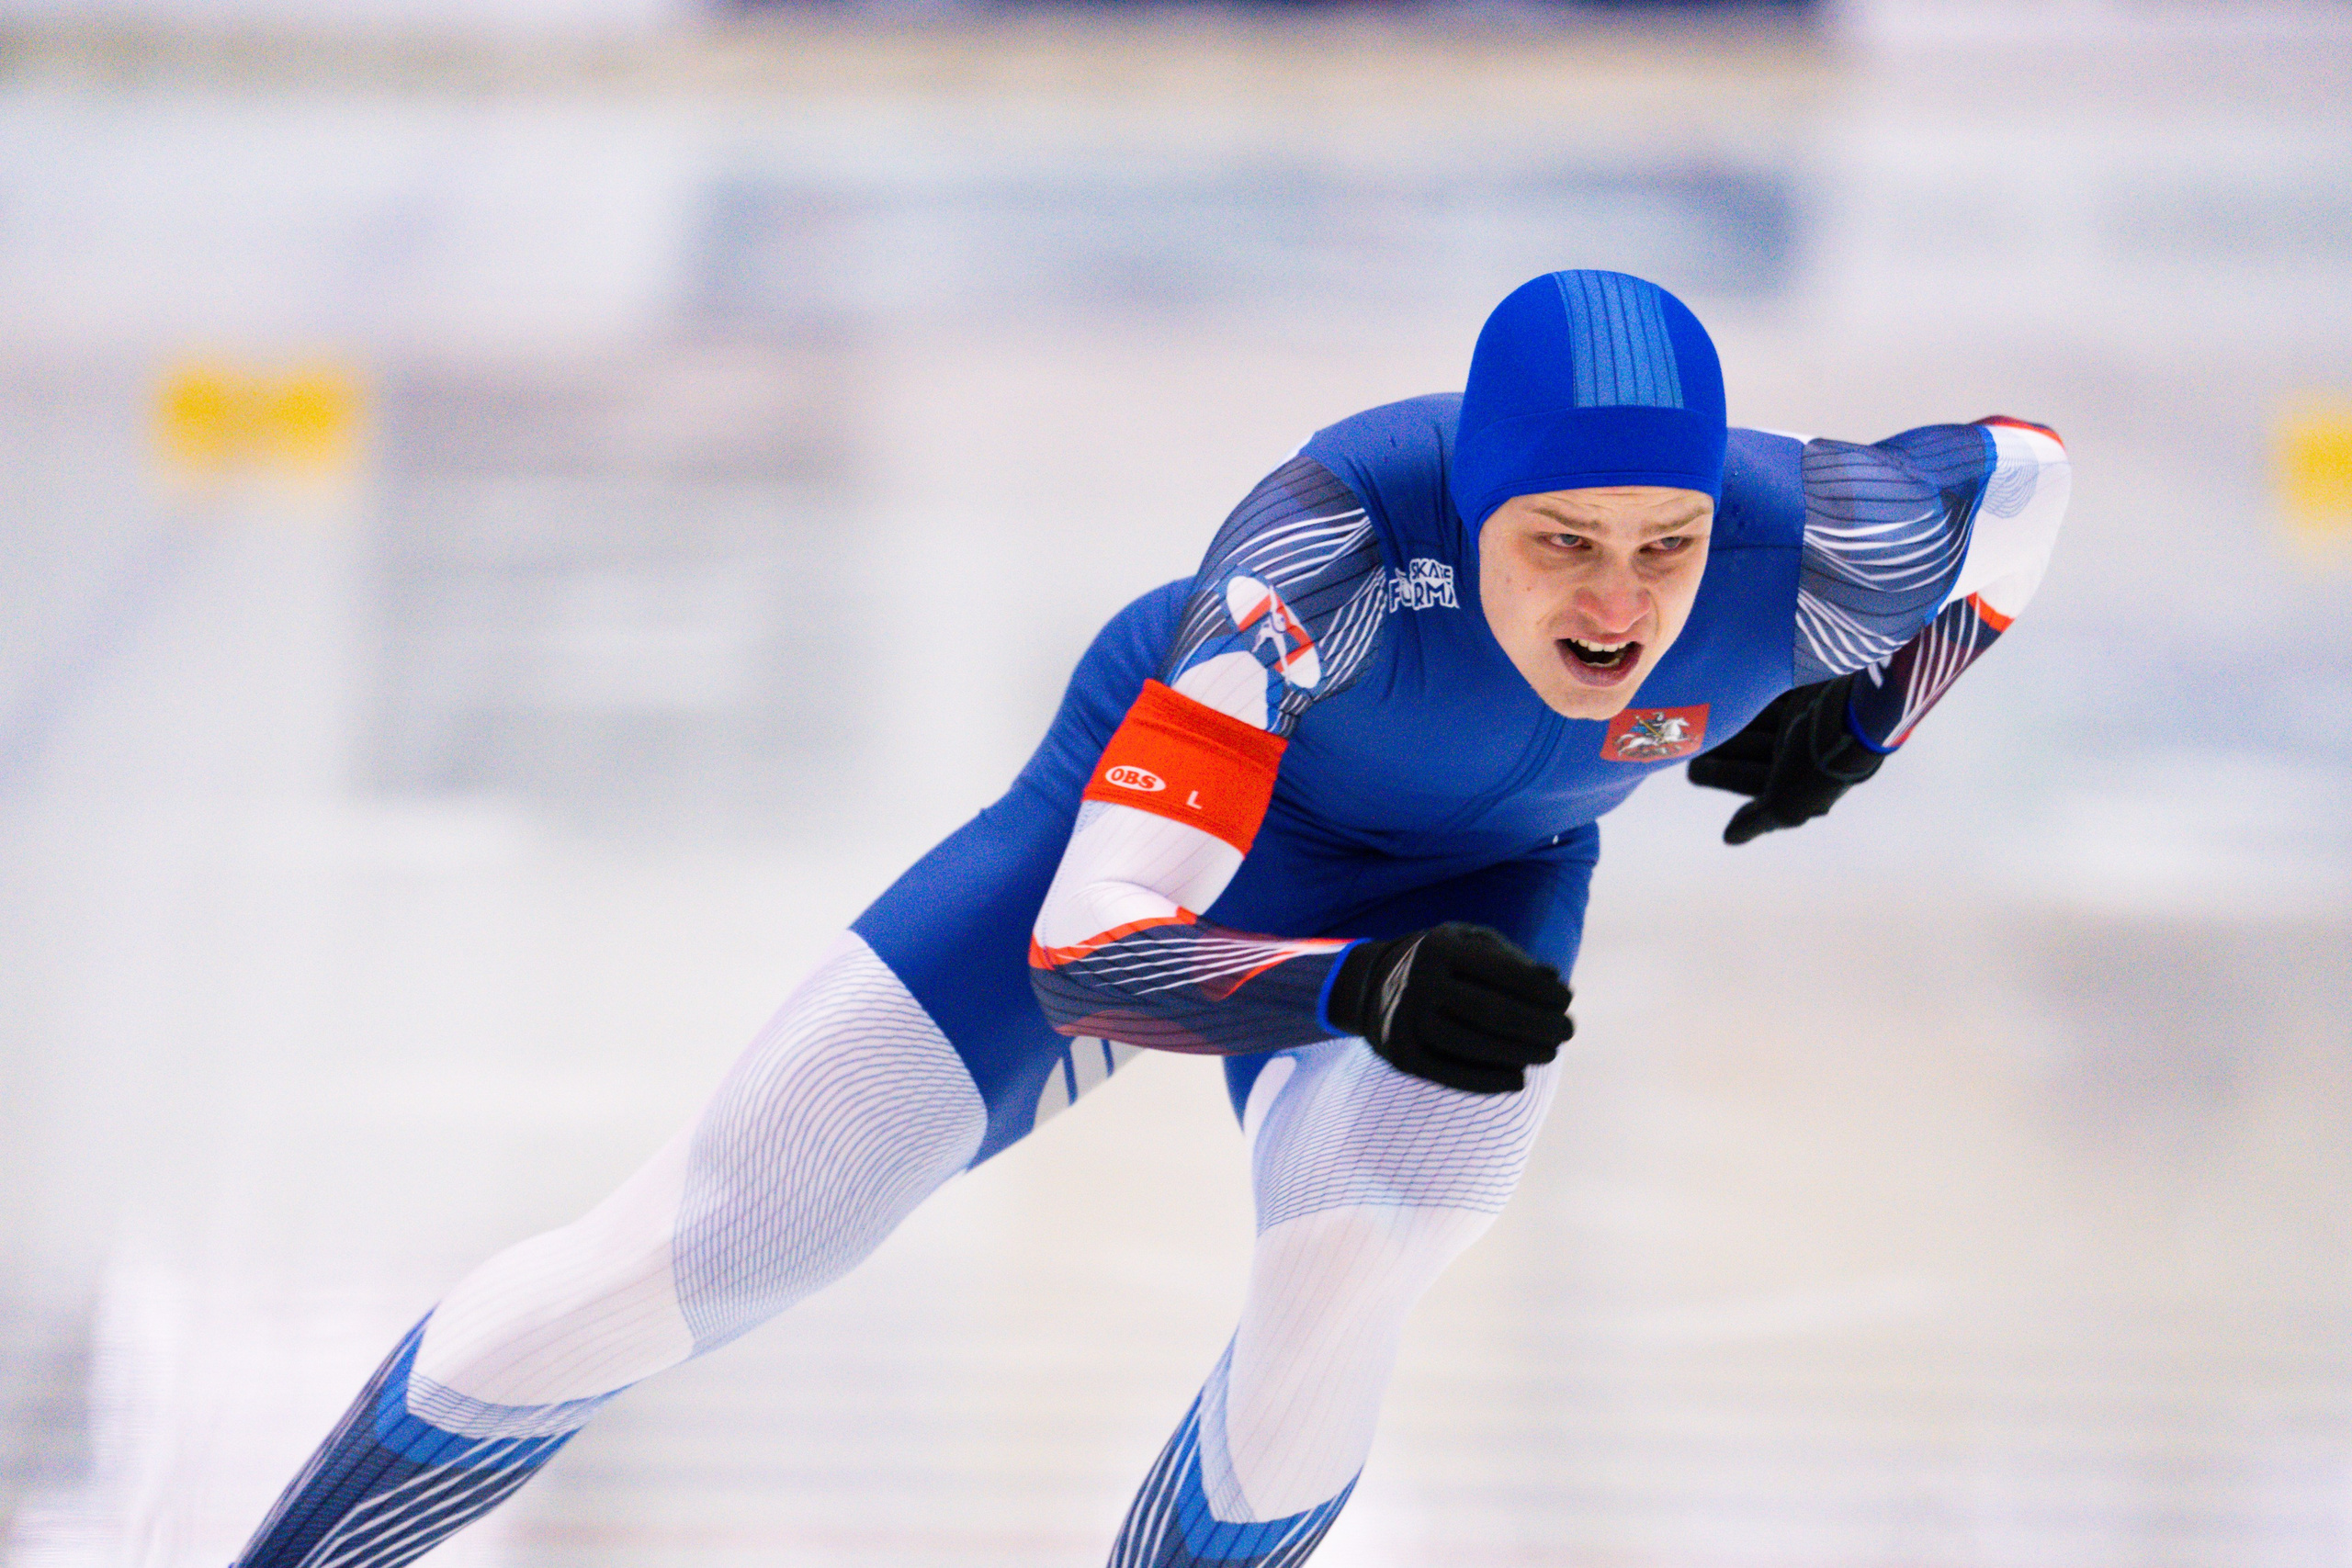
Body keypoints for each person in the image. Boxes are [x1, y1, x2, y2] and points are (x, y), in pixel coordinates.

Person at [230, 270, 2068, 1568]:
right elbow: (1087, 952)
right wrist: (1358, 981)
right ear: (1471, 502)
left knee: (1335, 1302)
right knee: (698, 1248)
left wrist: (1879, 714)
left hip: (1482, 891)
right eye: (1555, 541)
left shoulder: (1828, 539)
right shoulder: (1319, 554)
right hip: (1161, 851)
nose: (1617, 603)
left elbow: (2025, 476)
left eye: (1662, 541)